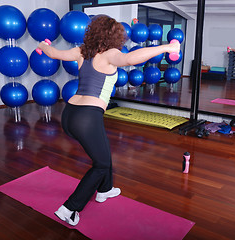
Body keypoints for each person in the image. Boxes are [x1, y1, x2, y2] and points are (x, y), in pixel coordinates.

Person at [37, 15, 180, 226]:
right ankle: (70, 208)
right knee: (101, 163)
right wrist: (167, 47)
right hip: (87, 116)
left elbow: (54, 52)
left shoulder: (81, 51)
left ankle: (105, 190)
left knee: (103, 151)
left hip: (70, 114)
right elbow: (132, 58)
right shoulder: (110, 54)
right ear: (115, 36)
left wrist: (42, 45)